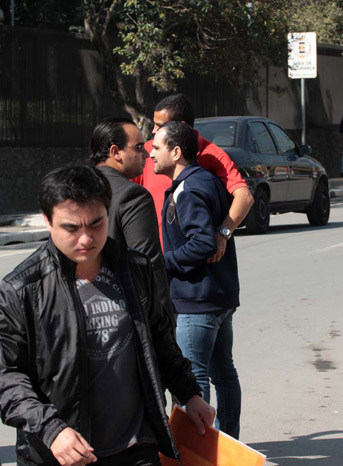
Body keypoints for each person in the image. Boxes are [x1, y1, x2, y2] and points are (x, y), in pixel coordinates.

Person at [0, 165, 215, 466]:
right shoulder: (22, 289)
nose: (85, 239)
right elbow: (3, 374)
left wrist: (190, 393)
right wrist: (52, 429)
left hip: (137, 448)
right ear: (47, 221)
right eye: (71, 228)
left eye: (96, 224)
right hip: (63, 454)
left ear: (108, 213)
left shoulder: (135, 270)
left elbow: (159, 340)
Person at [150, 121, 242, 439]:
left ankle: (200, 454)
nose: (151, 153)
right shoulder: (204, 180)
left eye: (157, 147)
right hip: (217, 296)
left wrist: (164, 264)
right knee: (224, 373)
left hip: (197, 301)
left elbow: (203, 242)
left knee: (194, 383)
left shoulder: (188, 189)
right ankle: (230, 445)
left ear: (176, 152)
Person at [134, 94, 253, 259]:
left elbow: (244, 197)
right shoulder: (149, 152)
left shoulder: (212, 155)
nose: (153, 131)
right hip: (154, 259)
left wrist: (222, 234)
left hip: (189, 260)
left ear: (180, 126)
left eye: (159, 125)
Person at [90, 118, 174, 324]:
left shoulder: (75, 189)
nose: (146, 153)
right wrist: (165, 321)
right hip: (124, 316)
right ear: (115, 152)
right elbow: (147, 264)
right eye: (138, 147)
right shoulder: (133, 195)